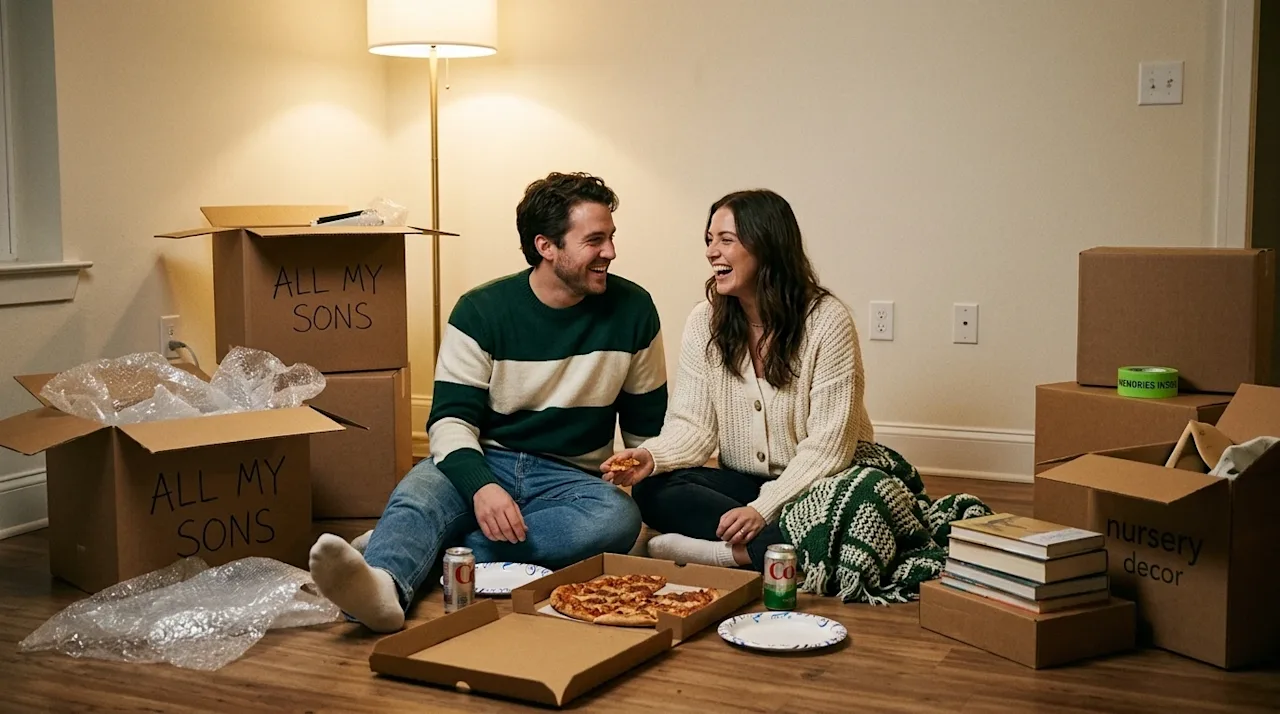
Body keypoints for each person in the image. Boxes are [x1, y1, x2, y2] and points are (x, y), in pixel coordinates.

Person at [309, 172, 668, 632]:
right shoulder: (481, 310)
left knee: (616, 520)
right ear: (546, 246)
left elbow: (646, 426)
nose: (610, 253)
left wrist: (647, 461)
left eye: (611, 238)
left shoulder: (634, 310)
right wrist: (481, 486)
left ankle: (406, 553)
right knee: (419, 494)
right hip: (485, 458)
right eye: (595, 240)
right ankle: (380, 594)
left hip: (571, 478)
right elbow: (450, 421)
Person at [601, 189, 873, 571]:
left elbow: (828, 449)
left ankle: (725, 554)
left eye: (726, 240)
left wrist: (763, 510)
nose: (712, 252)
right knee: (652, 488)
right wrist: (652, 456)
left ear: (767, 246)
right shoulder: (705, 321)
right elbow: (692, 425)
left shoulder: (827, 321)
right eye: (710, 240)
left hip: (823, 484)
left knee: (842, 521)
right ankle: (778, 550)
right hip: (745, 481)